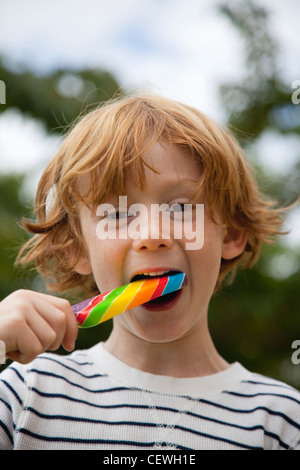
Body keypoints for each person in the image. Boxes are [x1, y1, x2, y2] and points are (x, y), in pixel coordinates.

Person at [0, 94, 299, 450]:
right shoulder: (25, 396)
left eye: (181, 206)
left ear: (231, 233)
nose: (151, 235)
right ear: (77, 248)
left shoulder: (280, 421)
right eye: (116, 213)